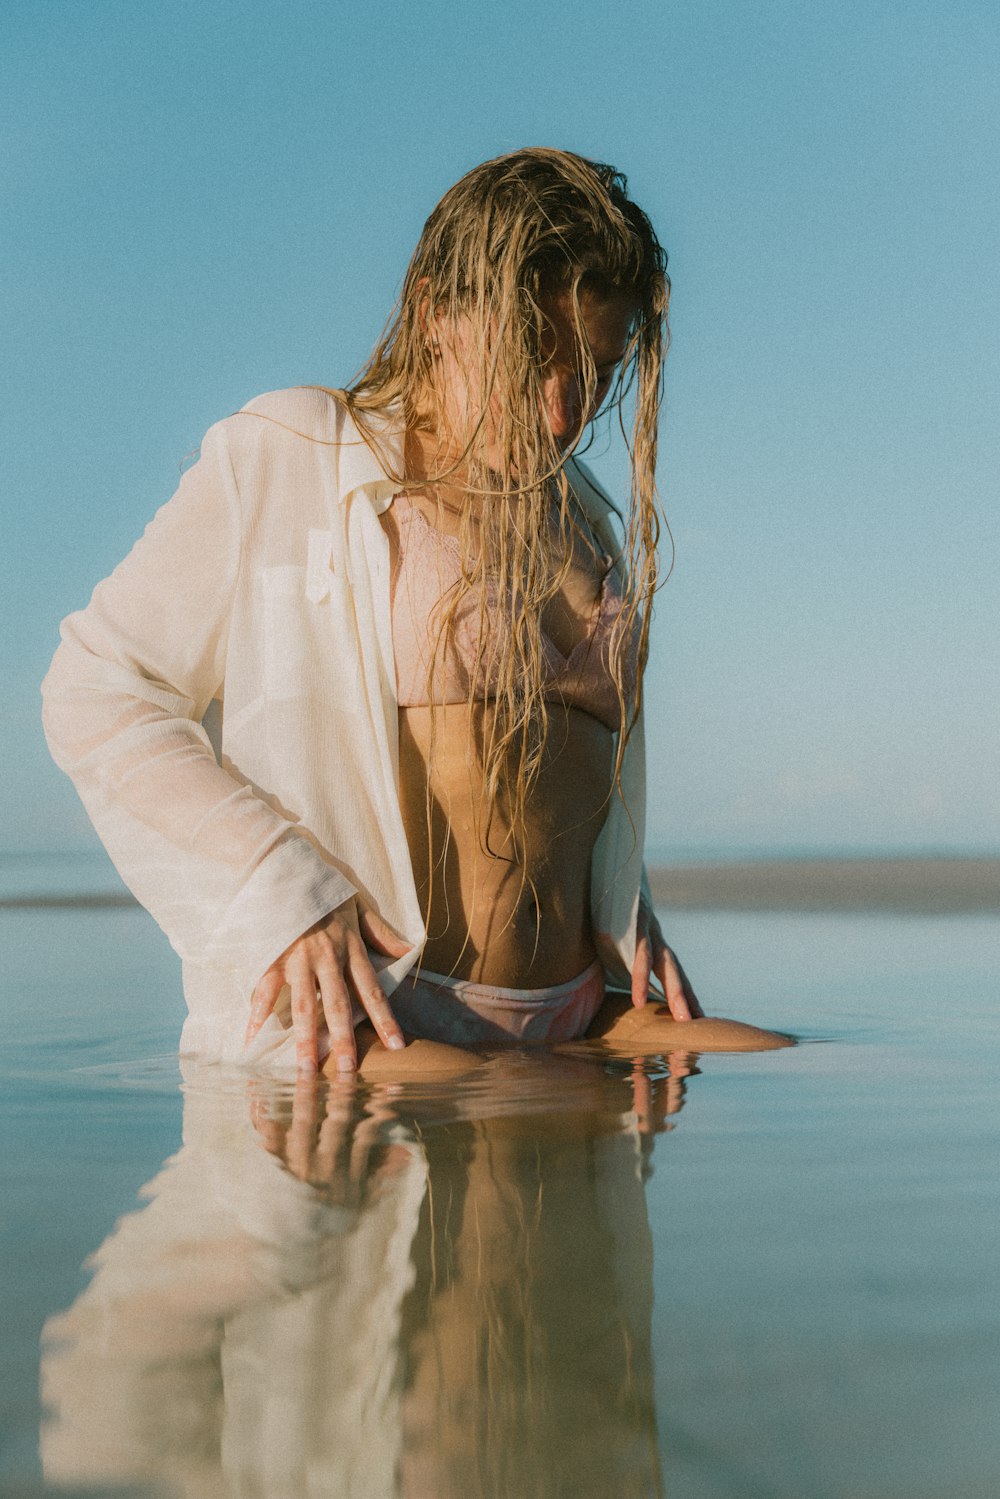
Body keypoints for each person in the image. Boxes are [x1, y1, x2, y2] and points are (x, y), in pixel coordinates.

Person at [42, 147, 788, 1076]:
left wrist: (626, 911)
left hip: (585, 1006)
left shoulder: (585, 511)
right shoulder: (296, 453)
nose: (567, 412)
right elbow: (96, 688)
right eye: (537, 355)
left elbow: (565, 776)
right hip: (385, 1017)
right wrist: (281, 894)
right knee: (501, 1101)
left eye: (595, 366)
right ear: (437, 311)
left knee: (810, 1064)